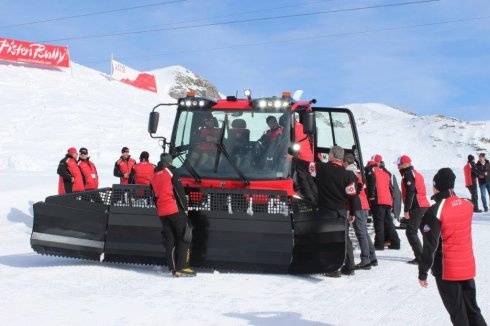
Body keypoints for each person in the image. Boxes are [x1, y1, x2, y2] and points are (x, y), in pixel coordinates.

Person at [418, 168, 487, 326]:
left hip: (447, 269)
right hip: (466, 265)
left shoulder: (435, 211)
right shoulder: (467, 204)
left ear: (437, 186)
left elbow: (430, 245)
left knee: (458, 314)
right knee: (472, 309)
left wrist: (423, 272)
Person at [296, 145, 361, 277]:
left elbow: (306, 166)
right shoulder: (348, 175)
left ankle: (333, 269)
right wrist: (353, 213)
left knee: (329, 238)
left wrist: (292, 159)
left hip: (326, 210)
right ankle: (350, 266)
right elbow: (353, 196)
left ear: (331, 155)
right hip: (341, 211)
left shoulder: (321, 168)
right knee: (344, 237)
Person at [151, 153, 196, 277]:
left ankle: (173, 269)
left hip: (162, 211)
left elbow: (154, 196)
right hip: (174, 209)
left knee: (170, 240)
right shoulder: (171, 172)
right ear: (170, 162)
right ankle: (183, 266)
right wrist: (185, 208)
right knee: (184, 236)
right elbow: (179, 191)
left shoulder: (154, 175)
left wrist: (160, 207)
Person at [343, 153, 377, 269]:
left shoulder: (350, 173)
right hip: (363, 204)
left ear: (346, 163)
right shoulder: (357, 172)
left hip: (358, 206)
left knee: (360, 233)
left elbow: (354, 191)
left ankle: (365, 260)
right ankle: (372, 257)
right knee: (364, 233)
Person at [396, 155, 430, 265]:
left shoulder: (408, 175)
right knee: (425, 231)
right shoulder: (416, 173)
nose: (398, 167)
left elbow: (411, 192)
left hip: (418, 206)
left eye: (399, 164)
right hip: (424, 205)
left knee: (411, 231)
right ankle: (429, 255)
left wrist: (407, 210)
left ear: (405, 164)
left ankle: (420, 258)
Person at [367, 154, 400, 251]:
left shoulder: (372, 171)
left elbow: (372, 182)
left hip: (378, 200)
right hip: (387, 200)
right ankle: (395, 242)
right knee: (388, 222)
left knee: (379, 222)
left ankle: (379, 244)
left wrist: (371, 196)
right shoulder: (386, 173)